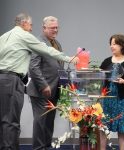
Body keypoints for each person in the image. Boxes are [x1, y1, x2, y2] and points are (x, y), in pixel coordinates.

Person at [0, 13, 78, 150]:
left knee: (7, 120)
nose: (31, 29)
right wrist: (69, 58)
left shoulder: (5, 36)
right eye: (30, 25)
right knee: (12, 121)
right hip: (17, 81)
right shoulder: (26, 36)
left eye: (57, 27)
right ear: (24, 23)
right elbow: (42, 57)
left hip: (5, 79)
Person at [27, 16, 64, 150]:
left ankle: (46, 146)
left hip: (54, 89)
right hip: (41, 90)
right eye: (52, 28)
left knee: (49, 122)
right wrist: (43, 85)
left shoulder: (56, 43)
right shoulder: (38, 42)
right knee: (40, 121)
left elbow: (59, 65)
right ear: (44, 28)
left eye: (56, 27)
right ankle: (38, 148)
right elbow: (33, 67)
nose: (55, 30)